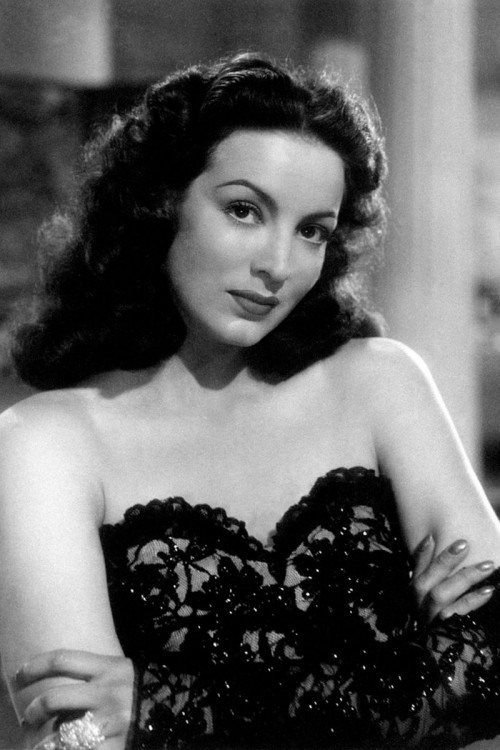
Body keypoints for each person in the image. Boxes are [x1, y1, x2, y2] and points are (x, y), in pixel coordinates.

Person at [1, 53, 500, 750]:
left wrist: (167, 706)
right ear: (161, 202)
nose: (278, 264)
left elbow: (494, 667)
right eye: (244, 210)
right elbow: (80, 735)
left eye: (312, 230)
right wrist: (415, 667)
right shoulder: (40, 442)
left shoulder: (381, 382)